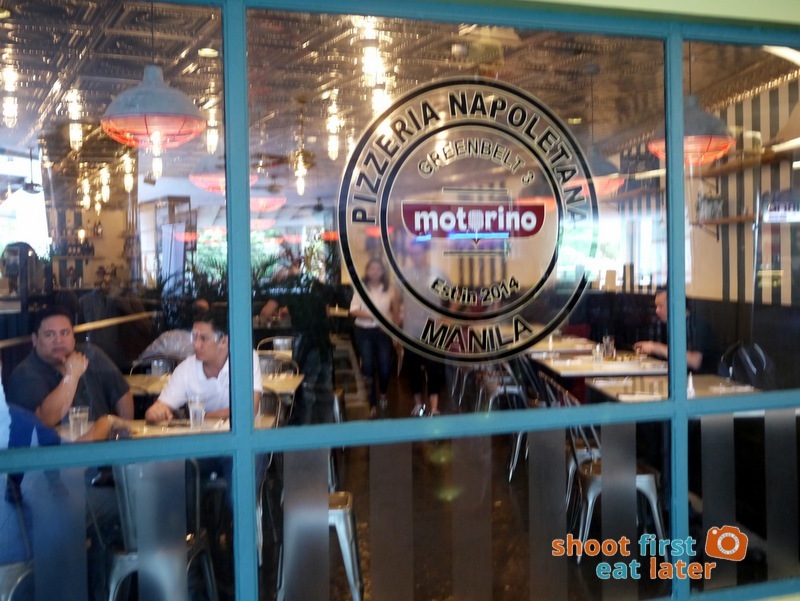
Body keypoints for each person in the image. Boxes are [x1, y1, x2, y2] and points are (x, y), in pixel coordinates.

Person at [7, 305, 133, 428]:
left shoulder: (91, 354)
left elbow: (122, 393)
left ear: (73, 337)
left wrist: (124, 431)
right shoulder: (24, 374)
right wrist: (72, 375)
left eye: (65, 333)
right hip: (57, 442)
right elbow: (45, 420)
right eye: (49, 335)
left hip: (103, 438)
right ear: (35, 340)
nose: (58, 340)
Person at [144, 307, 261, 423]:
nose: (196, 344)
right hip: (205, 434)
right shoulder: (185, 369)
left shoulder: (245, 359)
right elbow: (160, 406)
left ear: (224, 341)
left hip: (244, 434)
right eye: (194, 337)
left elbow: (249, 410)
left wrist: (202, 417)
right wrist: (154, 412)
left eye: (203, 338)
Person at [260, 257, 337, 425]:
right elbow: (326, 311)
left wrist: (269, 316)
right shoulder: (314, 282)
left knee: (304, 388)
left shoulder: (287, 285)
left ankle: (302, 431)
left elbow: (266, 312)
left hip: (305, 342)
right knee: (324, 389)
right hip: (323, 341)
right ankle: (326, 431)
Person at [399, 239, 446, 416]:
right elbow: (396, 298)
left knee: (434, 369)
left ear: (425, 254)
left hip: (433, 331)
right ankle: (418, 404)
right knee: (413, 370)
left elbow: (454, 297)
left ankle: (434, 407)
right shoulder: (406, 274)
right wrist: (397, 324)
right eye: (412, 253)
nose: (415, 256)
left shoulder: (436, 274)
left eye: (418, 253)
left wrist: (444, 317)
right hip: (411, 330)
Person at [349, 257, 399, 418]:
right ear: (367, 271)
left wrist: (393, 330)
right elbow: (353, 310)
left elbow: (395, 312)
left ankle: (383, 393)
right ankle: (372, 403)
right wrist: (373, 316)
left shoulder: (390, 289)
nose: (375, 272)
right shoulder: (361, 288)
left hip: (383, 332)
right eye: (372, 269)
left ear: (383, 271)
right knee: (368, 367)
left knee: (385, 367)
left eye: (378, 269)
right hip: (363, 331)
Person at [633, 288, 715, 373]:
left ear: (675, 305)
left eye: (660, 306)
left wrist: (657, 348)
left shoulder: (696, 324)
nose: (657, 311)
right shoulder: (661, 323)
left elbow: (695, 362)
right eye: (656, 306)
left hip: (698, 378)